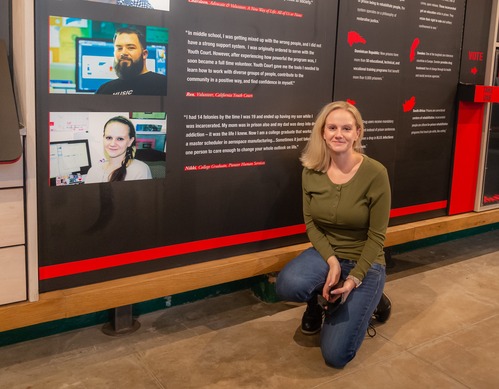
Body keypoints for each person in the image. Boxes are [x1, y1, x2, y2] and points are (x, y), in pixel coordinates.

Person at [276, 101, 392, 368]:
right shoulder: (311, 170)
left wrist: (354, 279)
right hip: (326, 254)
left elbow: (377, 236)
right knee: (288, 285)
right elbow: (311, 225)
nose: (338, 133)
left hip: (366, 261)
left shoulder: (376, 173)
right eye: (332, 127)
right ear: (323, 133)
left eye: (346, 128)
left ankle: (373, 297)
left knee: (336, 355)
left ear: (358, 133)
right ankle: (317, 302)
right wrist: (331, 261)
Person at [95, 27, 167, 96]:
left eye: (131, 48)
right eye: (119, 48)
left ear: (144, 54)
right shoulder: (104, 90)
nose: (124, 53)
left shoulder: (163, 84)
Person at [85, 116, 152, 183]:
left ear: (130, 142)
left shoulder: (140, 171)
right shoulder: (93, 171)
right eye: (109, 138)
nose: (112, 144)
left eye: (120, 139)